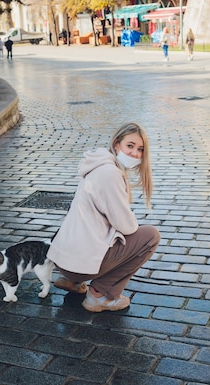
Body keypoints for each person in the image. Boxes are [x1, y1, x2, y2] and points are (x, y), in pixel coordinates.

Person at [48, 123, 161, 312]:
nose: (134, 153)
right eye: (130, 146)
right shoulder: (110, 173)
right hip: (79, 265)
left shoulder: (95, 165)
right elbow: (127, 226)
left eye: (140, 149)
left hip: (65, 263)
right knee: (150, 236)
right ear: (117, 145)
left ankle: (73, 282)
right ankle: (100, 295)